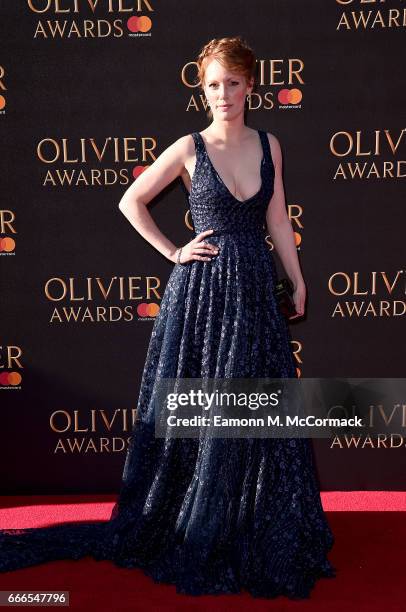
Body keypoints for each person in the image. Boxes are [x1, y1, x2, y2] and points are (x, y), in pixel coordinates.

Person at [0, 36, 335, 599]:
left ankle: (247, 521)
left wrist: (297, 277)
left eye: (232, 83)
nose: (222, 95)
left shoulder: (270, 145)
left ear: (251, 86)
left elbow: (277, 218)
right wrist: (175, 251)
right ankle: (198, 522)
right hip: (202, 298)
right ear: (201, 90)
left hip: (254, 292)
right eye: (212, 85)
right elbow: (132, 201)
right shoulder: (188, 147)